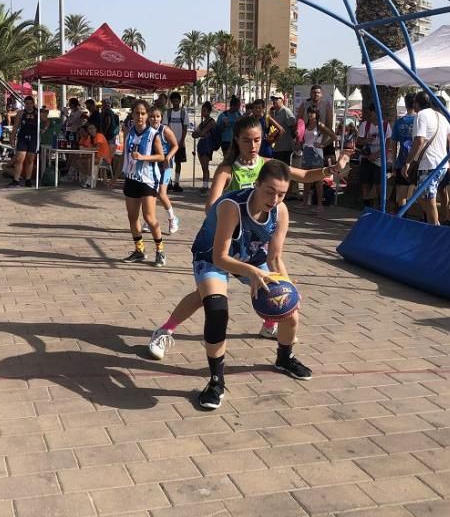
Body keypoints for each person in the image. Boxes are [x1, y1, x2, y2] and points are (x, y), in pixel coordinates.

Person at [146, 115, 350, 359]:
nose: (252, 146)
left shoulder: (268, 166)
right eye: (247, 141)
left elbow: (304, 176)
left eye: (257, 140)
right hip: (221, 245)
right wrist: (233, 214)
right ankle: (164, 330)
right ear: (237, 140)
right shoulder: (227, 170)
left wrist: (333, 169)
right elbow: (210, 205)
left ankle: (269, 324)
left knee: (270, 285)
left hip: (250, 250)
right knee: (205, 297)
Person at [186, 160, 311, 409]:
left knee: (290, 314)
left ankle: (284, 358)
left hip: (250, 258)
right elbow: (220, 257)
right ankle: (215, 381)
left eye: (282, 194)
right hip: (211, 257)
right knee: (217, 310)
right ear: (256, 184)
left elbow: (274, 257)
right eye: (270, 191)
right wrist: (251, 272)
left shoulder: (281, 211)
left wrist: (289, 288)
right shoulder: (233, 207)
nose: (275, 198)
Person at [121, 99, 167, 267]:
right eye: (136, 113)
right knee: (132, 217)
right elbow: (124, 154)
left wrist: (143, 158)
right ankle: (139, 250)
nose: (139, 116)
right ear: (132, 114)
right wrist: (115, 177)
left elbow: (161, 156)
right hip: (131, 178)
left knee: (149, 217)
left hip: (148, 180)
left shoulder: (153, 134)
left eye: (143, 113)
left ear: (147, 116)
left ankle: (160, 250)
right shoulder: (129, 132)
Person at [402, 91, 450, 226]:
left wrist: (408, 162)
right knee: (421, 196)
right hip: (442, 165)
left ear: (416, 104)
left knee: (429, 198)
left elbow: (419, 140)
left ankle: (435, 228)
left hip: (428, 165)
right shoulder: (440, 116)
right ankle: (435, 222)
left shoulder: (421, 115)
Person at [147, 105, 181, 233]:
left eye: (157, 116)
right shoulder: (147, 131)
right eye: (152, 116)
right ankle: (149, 220)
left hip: (165, 165)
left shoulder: (164, 130)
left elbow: (175, 145)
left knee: (162, 194)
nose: (155, 119)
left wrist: (169, 156)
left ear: (161, 117)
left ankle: (172, 219)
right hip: (152, 164)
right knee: (150, 193)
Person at [356, 102, 393, 208]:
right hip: (366, 158)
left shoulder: (385, 125)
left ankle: (382, 206)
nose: (376, 115)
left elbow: (387, 144)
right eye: (374, 112)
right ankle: (367, 207)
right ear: (370, 112)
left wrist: (377, 154)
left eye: (378, 112)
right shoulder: (365, 125)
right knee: (365, 184)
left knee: (379, 185)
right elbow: (359, 141)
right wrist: (367, 140)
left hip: (379, 160)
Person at [299, 106, 336, 215]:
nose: (310, 115)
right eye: (309, 113)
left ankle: (320, 205)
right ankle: (305, 202)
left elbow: (333, 136)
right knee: (306, 178)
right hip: (306, 152)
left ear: (317, 114)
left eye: (312, 113)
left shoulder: (319, 125)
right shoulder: (305, 125)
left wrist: (323, 145)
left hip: (316, 153)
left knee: (318, 180)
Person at [7, 96, 39, 188]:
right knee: (19, 159)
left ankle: (28, 180)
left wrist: (44, 129)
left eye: (30, 103)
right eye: (27, 103)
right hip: (22, 138)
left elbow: (46, 121)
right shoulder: (21, 113)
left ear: (33, 104)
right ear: (24, 104)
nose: (28, 105)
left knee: (30, 159)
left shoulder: (37, 113)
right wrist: (12, 138)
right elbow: (16, 126)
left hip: (33, 138)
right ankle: (16, 180)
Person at [392, 93, 417, 209]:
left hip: (401, 161)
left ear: (406, 104)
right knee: (419, 195)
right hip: (417, 163)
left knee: (401, 196)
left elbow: (393, 145)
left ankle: (402, 218)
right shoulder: (420, 121)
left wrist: (393, 163)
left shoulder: (399, 122)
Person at [296, 85, 334, 157]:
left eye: (318, 92)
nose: (316, 94)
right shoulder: (304, 105)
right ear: (310, 94)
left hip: (324, 138)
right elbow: (299, 122)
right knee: (308, 165)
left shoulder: (326, 105)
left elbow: (329, 124)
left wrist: (323, 143)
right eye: (314, 92)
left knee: (328, 163)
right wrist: (298, 140)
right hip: (308, 140)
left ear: (321, 94)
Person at [164, 92, 190, 192]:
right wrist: (168, 140)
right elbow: (165, 127)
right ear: (171, 102)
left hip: (180, 142)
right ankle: (168, 181)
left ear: (179, 101)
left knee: (178, 163)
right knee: (168, 162)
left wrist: (181, 141)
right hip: (169, 143)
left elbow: (185, 128)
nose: (175, 103)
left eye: (177, 101)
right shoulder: (168, 113)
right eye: (173, 101)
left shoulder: (183, 113)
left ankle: (177, 182)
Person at [193, 101, 217, 192]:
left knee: (205, 166)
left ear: (209, 111)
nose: (203, 112)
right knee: (203, 166)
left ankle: (205, 186)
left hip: (207, 145)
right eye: (202, 111)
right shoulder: (203, 123)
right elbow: (195, 134)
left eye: (204, 111)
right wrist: (199, 133)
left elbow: (199, 133)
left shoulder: (211, 122)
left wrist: (199, 133)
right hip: (202, 144)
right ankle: (204, 185)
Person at [79, 121, 112, 188]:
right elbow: (86, 147)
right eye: (89, 129)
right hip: (95, 158)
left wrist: (84, 149)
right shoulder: (90, 138)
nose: (91, 130)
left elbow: (97, 148)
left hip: (104, 159)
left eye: (92, 128)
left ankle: (88, 180)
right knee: (78, 161)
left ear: (96, 129)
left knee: (89, 161)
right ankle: (88, 176)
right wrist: (83, 148)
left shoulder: (99, 136)